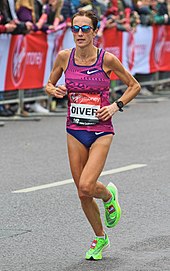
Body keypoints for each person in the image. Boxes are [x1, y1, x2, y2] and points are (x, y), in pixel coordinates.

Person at [46, 10, 141, 260]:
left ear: (95, 31)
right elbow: (49, 82)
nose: (79, 33)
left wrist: (114, 106)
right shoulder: (64, 57)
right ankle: (100, 237)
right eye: (75, 28)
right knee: (81, 191)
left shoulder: (107, 59)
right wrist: (52, 89)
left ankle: (109, 196)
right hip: (75, 129)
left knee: (88, 185)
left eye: (85, 29)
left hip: (100, 130)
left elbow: (134, 85)